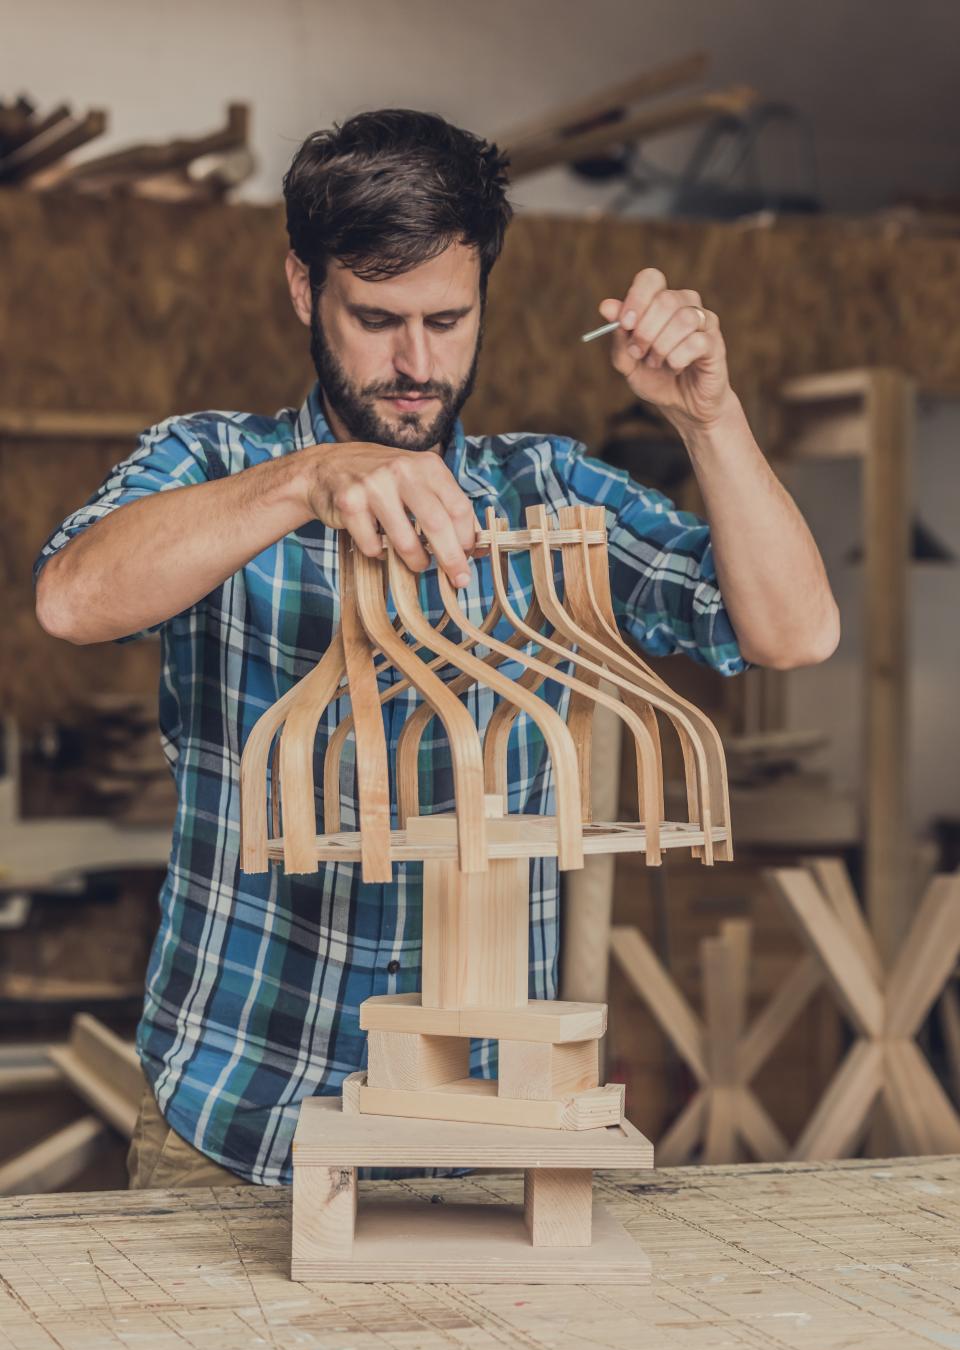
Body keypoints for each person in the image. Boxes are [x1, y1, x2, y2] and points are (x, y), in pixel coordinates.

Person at [33, 109, 839, 1189]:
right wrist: (304, 480)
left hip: (483, 1135)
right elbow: (71, 598)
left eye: (449, 321)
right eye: (377, 318)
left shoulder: (541, 492)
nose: (417, 364)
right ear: (302, 289)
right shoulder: (216, 464)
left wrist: (710, 417)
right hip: (234, 1123)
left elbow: (792, 631)